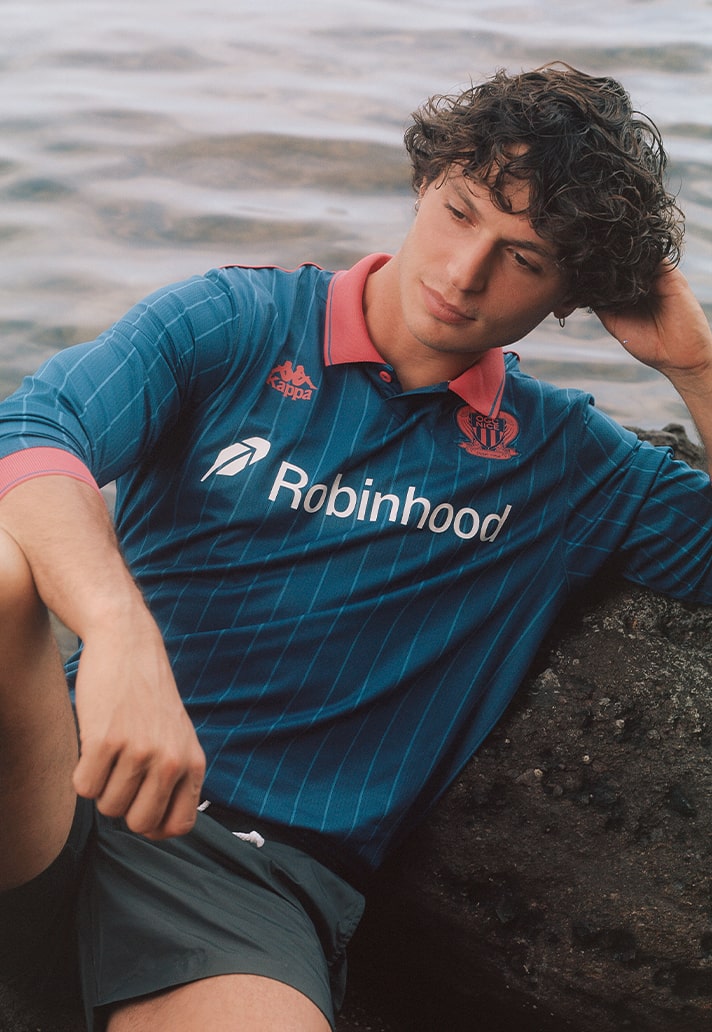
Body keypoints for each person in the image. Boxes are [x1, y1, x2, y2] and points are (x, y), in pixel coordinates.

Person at [0, 61, 710, 1032]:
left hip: (245, 876)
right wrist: (120, 630)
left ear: (569, 296)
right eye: (459, 213)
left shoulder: (565, 463)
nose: (463, 273)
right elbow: (33, 431)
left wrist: (694, 366)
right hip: (58, 784)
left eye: (524, 258)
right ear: (426, 181)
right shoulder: (236, 323)